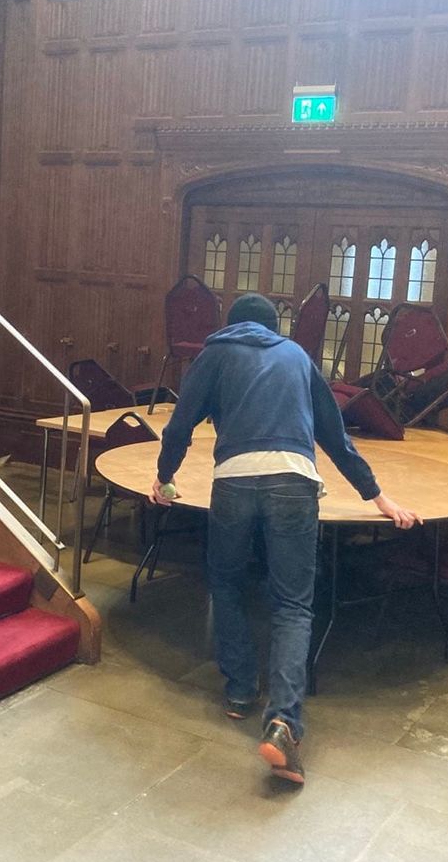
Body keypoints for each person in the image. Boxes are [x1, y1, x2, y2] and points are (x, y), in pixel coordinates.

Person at [150, 293, 419, 785]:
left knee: (225, 583)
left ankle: (239, 689)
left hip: (233, 480)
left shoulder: (214, 353)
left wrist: (165, 477)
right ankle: (284, 724)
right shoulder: (296, 356)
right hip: (295, 481)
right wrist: (376, 495)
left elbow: (180, 424)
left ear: (231, 324)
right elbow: (334, 435)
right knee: (293, 604)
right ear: (274, 328)